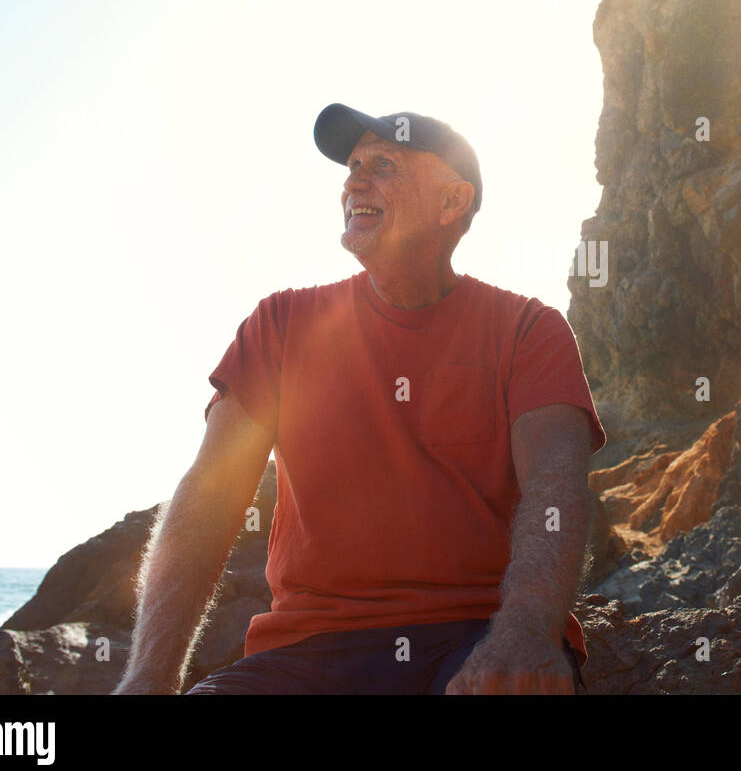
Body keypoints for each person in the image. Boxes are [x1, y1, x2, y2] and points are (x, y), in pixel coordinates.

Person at [112, 104, 606, 695]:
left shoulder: (529, 329)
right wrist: (148, 679)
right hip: (304, 656)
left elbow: (557, 486)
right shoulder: (280, 323)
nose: (353, 180)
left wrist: (524, 633)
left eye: (383, 165)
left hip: (473, 636)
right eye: (351, 166)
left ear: (452, 201)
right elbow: (208, 499)